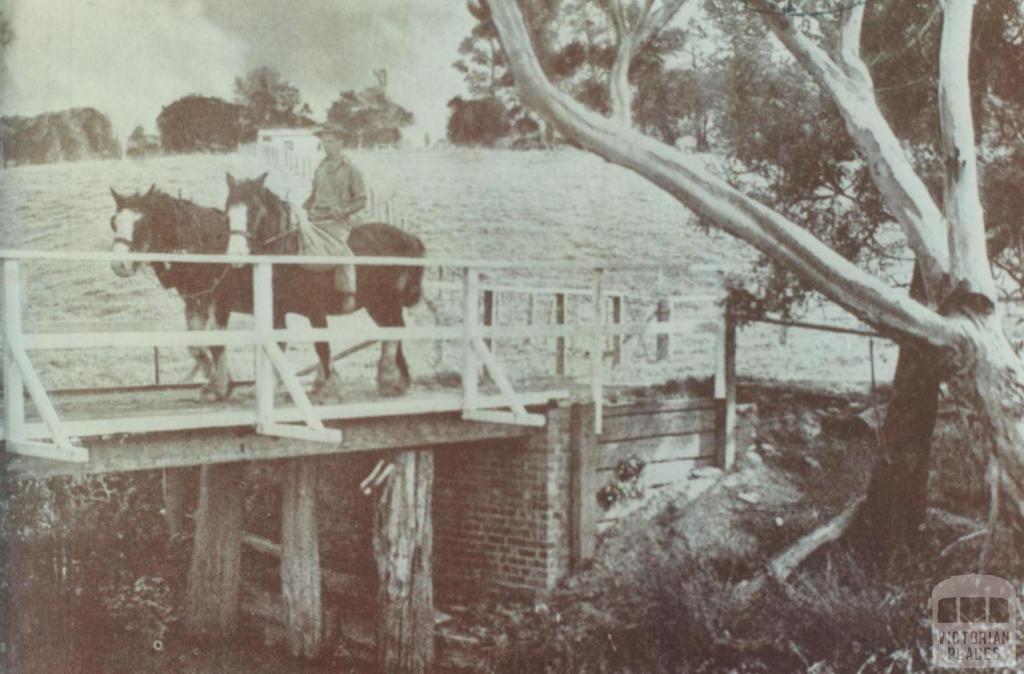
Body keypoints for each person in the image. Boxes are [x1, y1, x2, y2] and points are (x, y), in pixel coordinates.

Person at [301, 122, 367, 312]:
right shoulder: (320, 168)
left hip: (336, 222)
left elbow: (361, 200)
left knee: (340, 250)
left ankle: (348, 292)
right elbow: (314, 195)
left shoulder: (351, 170)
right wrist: (301, 209)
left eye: (330, 141)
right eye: (324, 141)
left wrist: (344, 211)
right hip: (315, 218)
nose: (326, 146)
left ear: (340, 143)